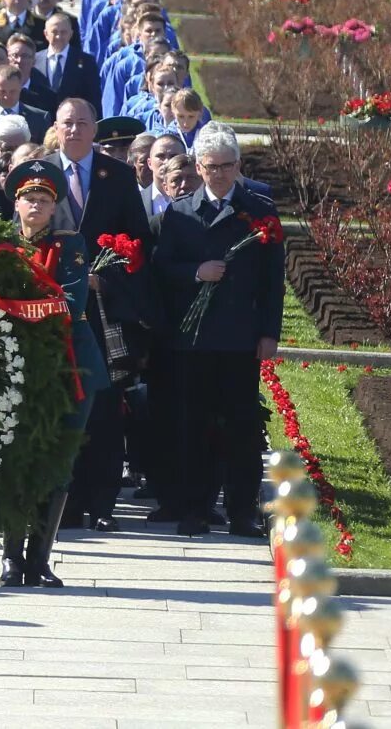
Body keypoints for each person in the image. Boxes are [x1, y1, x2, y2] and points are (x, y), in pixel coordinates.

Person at [154, 125, 282, 538]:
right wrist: (196, 272)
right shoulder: (180, 212)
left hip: (239, 336)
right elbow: (161, 270)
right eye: (212, 167)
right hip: (194, 341)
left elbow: (271, 280)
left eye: (228, 166)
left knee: (242, 426)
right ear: (198, 166)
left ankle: (242, 509)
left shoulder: (259, 211)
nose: (221, 174)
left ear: (238, 166)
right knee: (196, 424)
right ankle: (197, 507)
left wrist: (269, 333)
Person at [0, 159, 104, 587]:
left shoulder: (70, 245)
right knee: (15, 459)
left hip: (68, 363)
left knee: (58, 459)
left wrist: (17, 307)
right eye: (29, 198)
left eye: (44, 199)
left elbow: (71, 303)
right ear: (17, 203)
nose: (36, 205)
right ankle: (11, 558)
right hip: (13, 365)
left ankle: (39, 557)